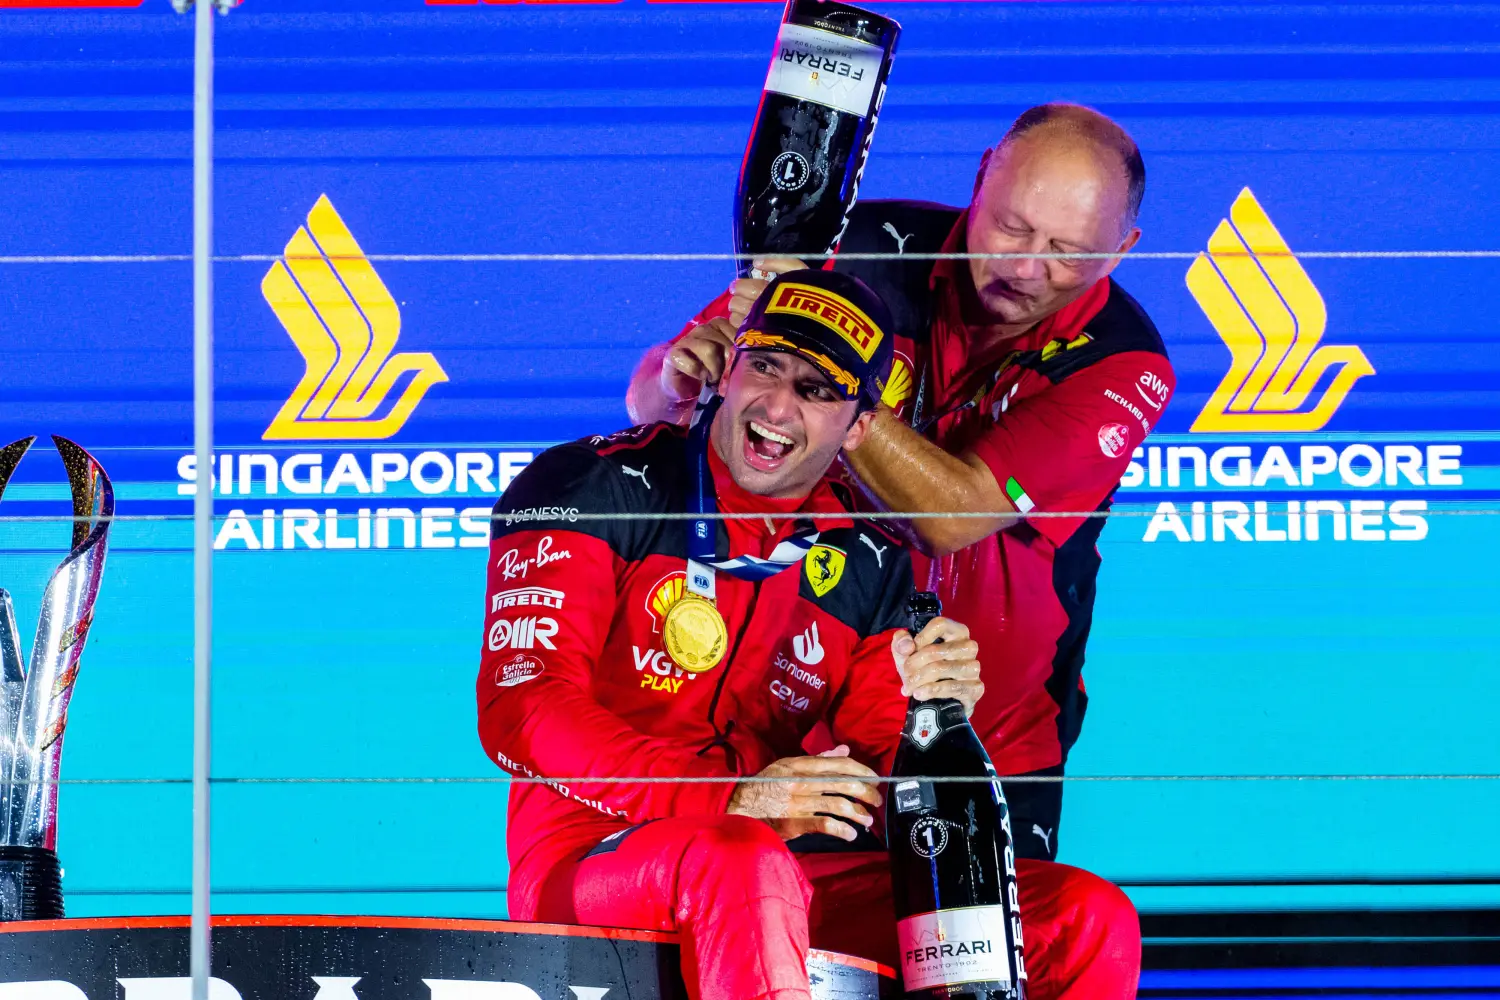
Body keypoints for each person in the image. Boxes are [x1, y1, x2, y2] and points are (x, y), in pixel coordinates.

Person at [480, 269, 1140, 1000]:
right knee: (740, 861)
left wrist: (938, 713)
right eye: (765, 365)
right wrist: (728, 796)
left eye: (818, 390)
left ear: (860, 427)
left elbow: (890, 773)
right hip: (590, 863)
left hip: (781, 878)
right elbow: (523, 710)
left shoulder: (870, 558)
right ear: (729, 368)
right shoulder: (586, 485)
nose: (776, 405)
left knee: (1083, 916)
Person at [626, 103, 1177, 862]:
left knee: (982, 969)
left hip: (989, 735)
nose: (1025, 268)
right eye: (1011, 229)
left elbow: (946, 517)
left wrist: (834, 380)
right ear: (982, 177)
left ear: (1121, 251)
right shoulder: (852, 253)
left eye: (1066, 252)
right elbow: (653, 402)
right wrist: (682, 374)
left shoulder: (1123, 366)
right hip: (794, 710)